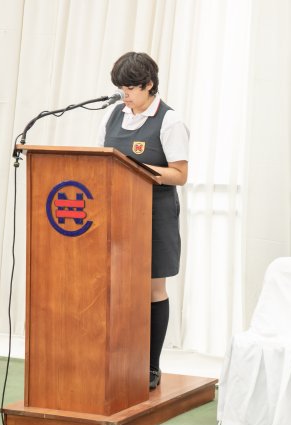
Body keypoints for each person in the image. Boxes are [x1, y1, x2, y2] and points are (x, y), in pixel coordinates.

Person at [97, 52, 189, 389]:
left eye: (131, 88)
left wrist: (136, 169)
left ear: (149, 84)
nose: (125, 95)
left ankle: (150, 365)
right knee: (116, 287)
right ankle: (118, 360)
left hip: (154, 215)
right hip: (116, 213)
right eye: (121, 88)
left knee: (152, 289)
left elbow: (179, 175)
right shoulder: (112, 116)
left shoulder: (169, 120)